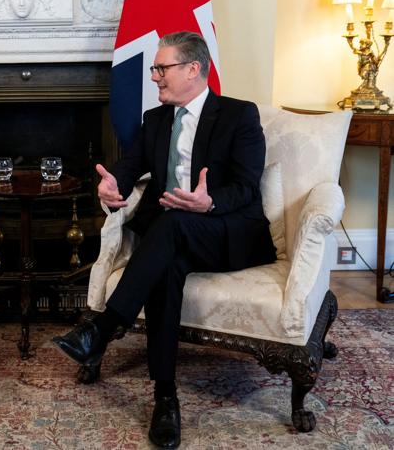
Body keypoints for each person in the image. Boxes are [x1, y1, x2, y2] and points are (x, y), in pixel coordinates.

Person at [52, 31, 276, 449]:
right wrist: (112, 185)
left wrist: (208, 202)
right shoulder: (154, 120)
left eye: (161, 68)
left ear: (193, 69)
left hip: (225, 230)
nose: (154, 76)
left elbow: (247, 187)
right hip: (170, 236)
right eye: (155, 68)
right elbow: (129, 164)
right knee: (167, 261)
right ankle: (165, 397)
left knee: (170, 225)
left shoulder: (238, 115)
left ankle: (102, 328)